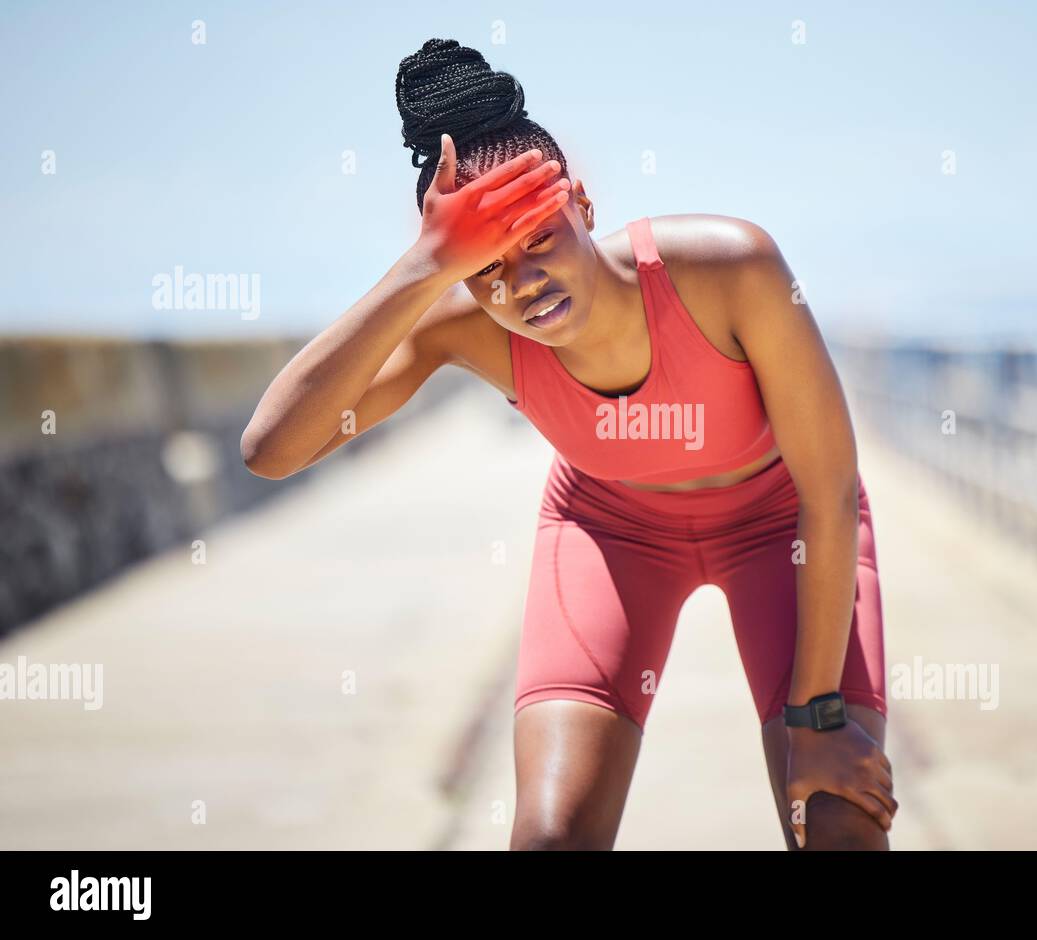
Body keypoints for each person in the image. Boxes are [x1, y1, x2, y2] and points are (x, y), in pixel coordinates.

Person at [241, 37, 896, 850]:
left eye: (539, 238)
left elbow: (829, 491)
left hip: (781, 529)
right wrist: (423, 269)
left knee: (834, 824)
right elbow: (271, 448)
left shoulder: (732, 268)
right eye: (484, 269)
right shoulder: (464, 325)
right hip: (610, 535)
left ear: (582, 205)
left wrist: (820, 716)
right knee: (550, 837)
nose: (521, 286)